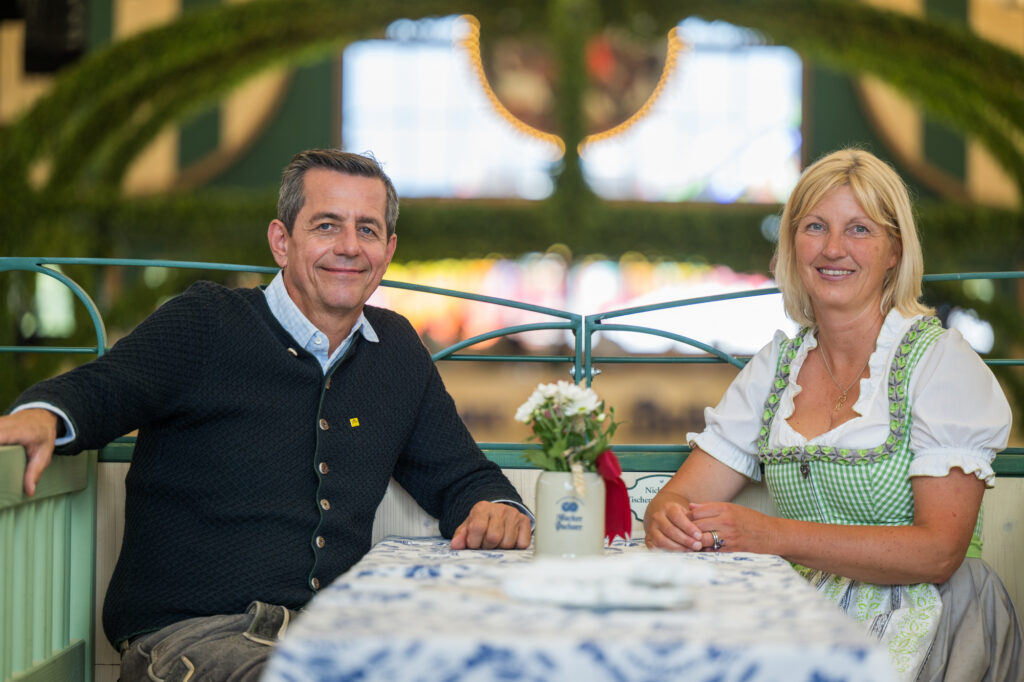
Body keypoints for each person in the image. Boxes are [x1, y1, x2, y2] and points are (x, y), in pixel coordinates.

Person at [1, 149, 533, 681]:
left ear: (388, 250)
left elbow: (463, 475)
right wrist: (43, 416)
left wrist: (496, 508)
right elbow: (104, 388)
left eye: (367, 230)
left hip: (334, 635)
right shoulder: (207, 321)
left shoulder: (396, 351)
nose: (350, 247)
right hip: (195, 638)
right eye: (327, 226)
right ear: (281, 241)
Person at [645, 148, 1022, 681]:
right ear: (792, 243)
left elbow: (939, 552)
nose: (833, 248)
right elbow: (679, 497)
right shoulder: (776, 367)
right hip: (802, 618)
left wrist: (773, 536)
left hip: (930, 620)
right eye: (815, 226)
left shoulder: (940, 363)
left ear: (894, 251)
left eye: (859, 229)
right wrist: (668, 518)